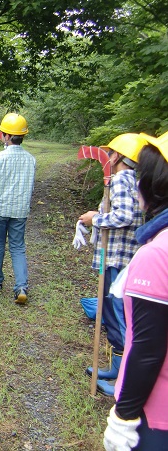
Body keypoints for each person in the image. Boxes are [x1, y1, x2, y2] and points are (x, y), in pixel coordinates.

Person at [103, 131, 168, 451]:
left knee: (118, 319)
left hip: (157, 414)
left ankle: (116, 368)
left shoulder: (157, 254)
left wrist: (123, 416)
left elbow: (148, 347)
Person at [79, 133, 147, 396]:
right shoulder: (133, 181)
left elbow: (125, 215)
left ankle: (124, 378)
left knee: (118, 315)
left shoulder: (120, 180)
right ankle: (117, 365)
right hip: (119, 255)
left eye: (110, 152)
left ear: (117, 156)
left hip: (118, 256)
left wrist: (95, 217)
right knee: (112, 312)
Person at [0, 113, 36, 305]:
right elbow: (30, 187)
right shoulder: (31, 159)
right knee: (18, 247)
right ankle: (21, 286)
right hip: (21, 211)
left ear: (6, 136)